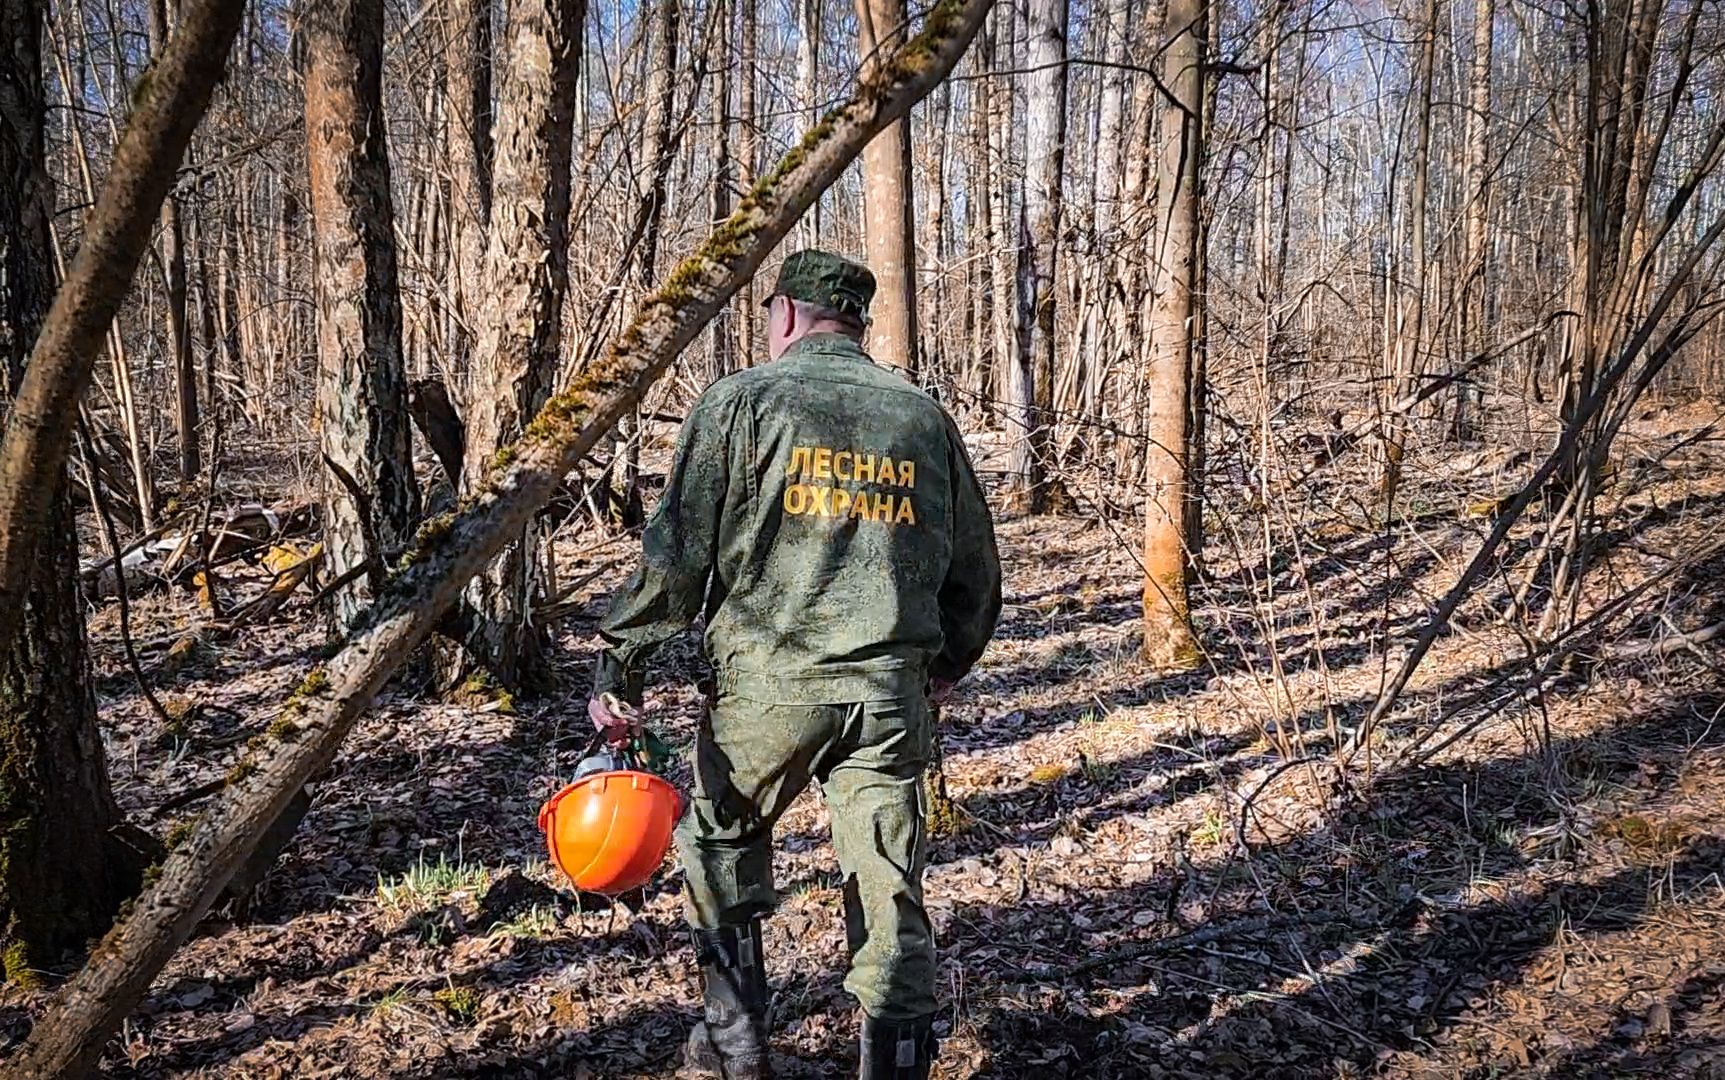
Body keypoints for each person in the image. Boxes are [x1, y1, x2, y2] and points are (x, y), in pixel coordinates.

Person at [587, 249, 1002, 1079]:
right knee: (887, 878)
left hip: (767, 688)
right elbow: (975, 564)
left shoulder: (741, 402)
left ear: (783, 314)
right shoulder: (919, 416)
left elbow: (675, 557)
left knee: (720, 838)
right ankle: (896, 1062)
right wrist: (950, 660)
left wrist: (620, 666)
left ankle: (734, 1044)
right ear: (855, 322)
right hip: (886, 694)